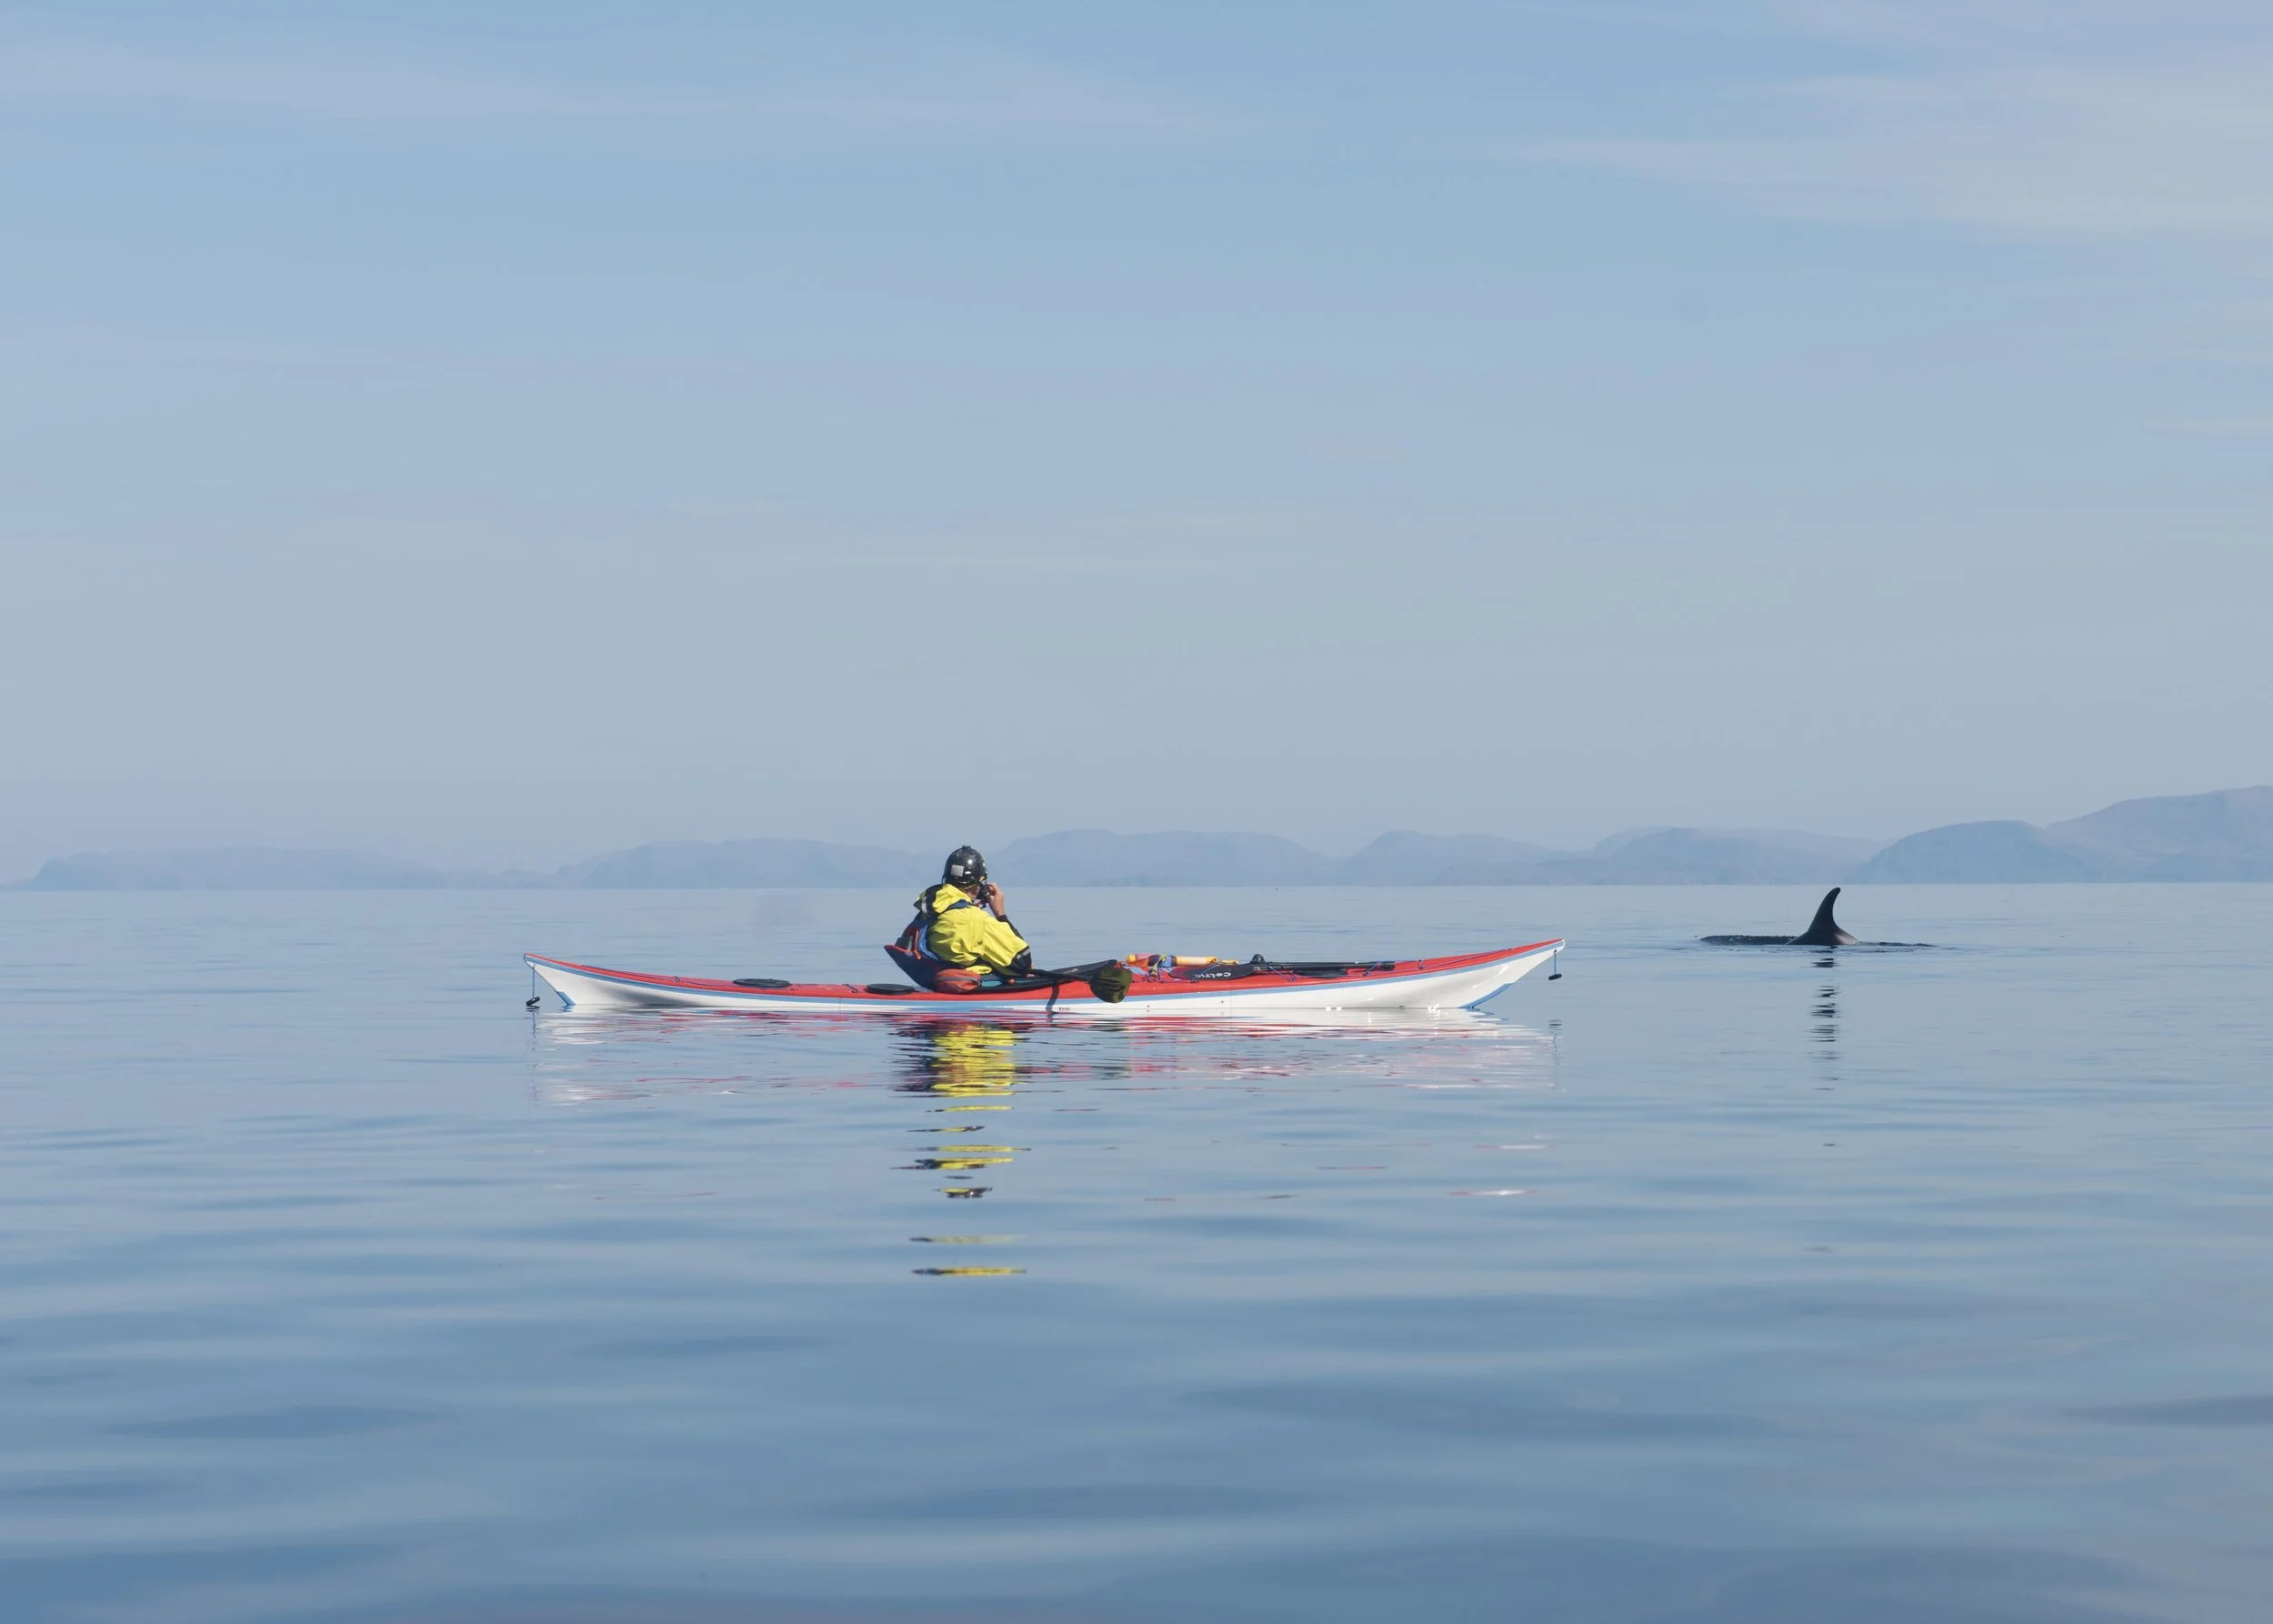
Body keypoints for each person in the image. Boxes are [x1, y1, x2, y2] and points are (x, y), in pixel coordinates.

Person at [898, 847, 1034, 987]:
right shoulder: (977, 920)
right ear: (979, 883)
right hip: (976, 989)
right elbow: (1023, 963)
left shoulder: (929, 911)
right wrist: (1000, 913)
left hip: (936, 982)